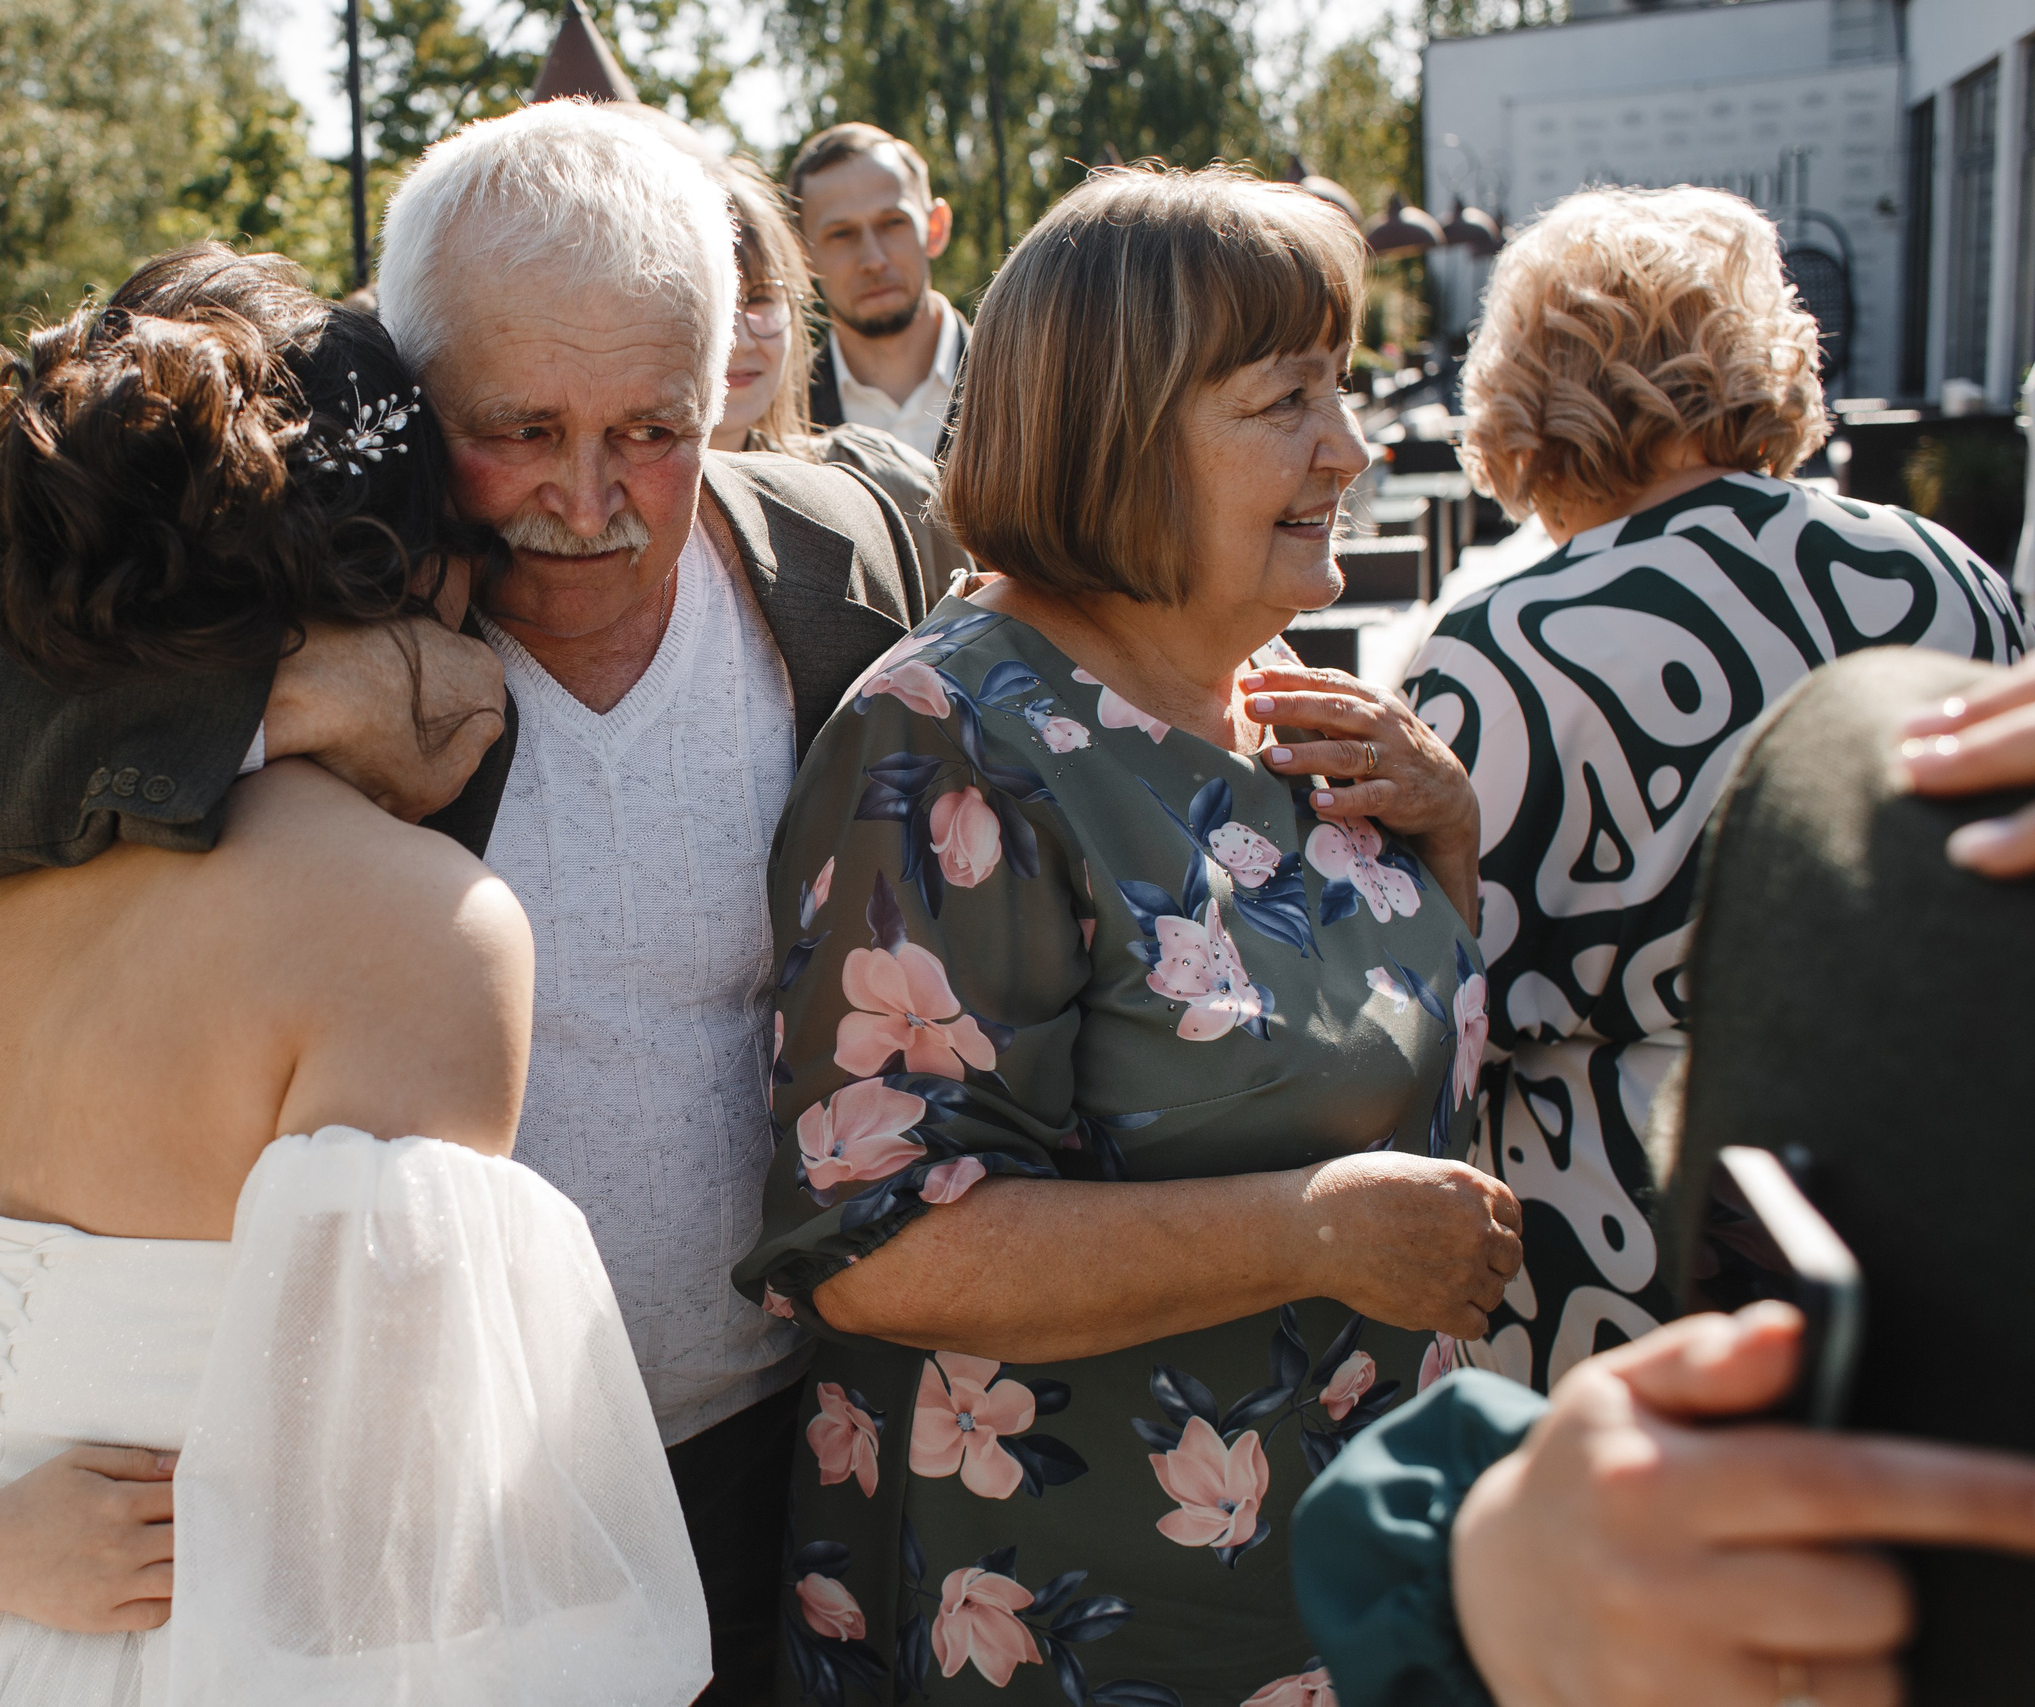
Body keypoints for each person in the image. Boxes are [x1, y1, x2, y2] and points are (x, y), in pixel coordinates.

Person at [0, 101, 943, 1705]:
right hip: (432, 1544)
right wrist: (285, 693)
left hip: (792, 1448)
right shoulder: (314, 592)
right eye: (518, 428)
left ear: (726, 373)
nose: (591, 501)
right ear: (403, 380)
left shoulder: (845, 552)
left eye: (651, 429)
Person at [737, 164, 1524, 1705]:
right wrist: (1309, 1224)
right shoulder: (949, 740)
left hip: (1331, 1594)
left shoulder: (1279, 688)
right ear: (1117, 430)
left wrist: (1449, 851)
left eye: (1343, 389)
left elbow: (1357, 1049)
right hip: (1067, 1629)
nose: (1349, 448)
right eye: (1284, 401)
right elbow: (878, 1240)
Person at [1294, 642, 2035, 1706]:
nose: (1353, 460)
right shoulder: (1934, 590)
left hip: (1588, 1223)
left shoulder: (1495, 650)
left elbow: (1474, 995)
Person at [1399, 185, 2024, 1391]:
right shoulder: (1946, 572)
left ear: (1526, 392)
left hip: (1629, 1239)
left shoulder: (1501, 644)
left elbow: (1443, 988)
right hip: (1935, 1172)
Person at [699, 150, 972, 589]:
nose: (741, 340)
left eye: (761, 299)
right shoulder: (593, 504)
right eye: (711, 305)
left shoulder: (887, 481)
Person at [789, 123, 965, 461]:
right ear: (802, 255)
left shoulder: (1024, 384)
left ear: (935, 227)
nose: (873, 260)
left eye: (892, 223)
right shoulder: (776, 419)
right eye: (841, 234)